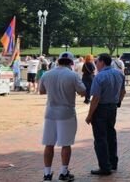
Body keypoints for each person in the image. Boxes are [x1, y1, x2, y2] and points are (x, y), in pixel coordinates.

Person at [39, 52, 86, 182]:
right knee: (66, 144)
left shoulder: (47, 74)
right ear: (71, 63)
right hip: (66, 112)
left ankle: (47, 173)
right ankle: (63, 172)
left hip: (50, 112)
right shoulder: (73, 75)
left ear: (58, 61)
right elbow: (83, 91)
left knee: (49, 144)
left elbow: (41, 91)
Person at [85, 53, 126, 176]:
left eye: (97, 62)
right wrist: (118, 102)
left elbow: (96, 98)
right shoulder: (119, 74)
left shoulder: (99, 76)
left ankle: (105, 166)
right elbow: (123, 91)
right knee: (111, 135)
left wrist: (89, 115)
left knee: (100, 138)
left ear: (102, 62)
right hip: (112, 108)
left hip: (101, 108)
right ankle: (113, 163)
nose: (95, 64)